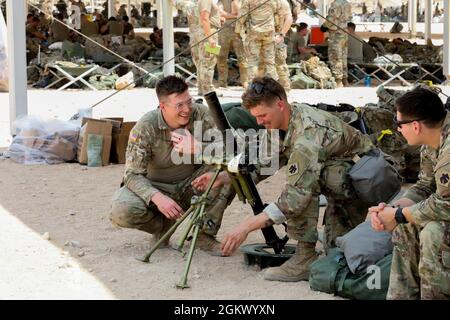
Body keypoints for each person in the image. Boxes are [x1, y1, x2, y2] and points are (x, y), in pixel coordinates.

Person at [193, 76, 376, 282]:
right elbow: (263, 165)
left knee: (306, 183)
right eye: (256, 117)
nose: (259, 122)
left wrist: (246, 226)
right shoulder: (278, 125)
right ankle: (323, 245)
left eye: (262, 115)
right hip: (341, 178)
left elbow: (294, 199)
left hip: (366, 183)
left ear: (280, 104)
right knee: (334, 251)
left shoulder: (307, 133)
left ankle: (305, 256)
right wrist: (225, 178)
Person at [110, 76, 234, 253]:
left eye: (188, 102)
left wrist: (199, 147)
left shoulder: (201, 114)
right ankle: (163, 228)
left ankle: (204, 235)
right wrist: (157, 197)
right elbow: (131, 175)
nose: (187, 109)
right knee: (121, 211)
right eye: (179, 105)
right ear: (163, 106)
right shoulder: (146, 126)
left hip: (194, 184)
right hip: (157, 188)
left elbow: (233, 151)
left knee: (232, 173)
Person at [369, 87, 450, 299]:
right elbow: (425, 186)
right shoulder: (432, 140)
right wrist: (395, 209)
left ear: (415, 125)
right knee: (405, 224)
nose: (397, 130)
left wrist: (398, 215)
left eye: (398, 124)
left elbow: (446, 205)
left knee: (432, 232)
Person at [240, 0, 285, 83]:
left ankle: (254, 87)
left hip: (253, 34)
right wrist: (280, 31)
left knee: (253, 62)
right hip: (269, 33)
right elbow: (281, 15)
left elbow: (242, 17)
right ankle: (273, 87)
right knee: (270, 62)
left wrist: (239, 30)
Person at [216, 0, 248, 88]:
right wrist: (234, 16)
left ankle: (245, 81)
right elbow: (220, 13)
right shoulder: (221, 1)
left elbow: (241, 13)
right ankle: (222, 82)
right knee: (221, 57)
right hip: (224, 30)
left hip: (239, 31)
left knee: (243, 58)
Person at [321, 0, 351, 87]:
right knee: (343, 57)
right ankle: (345, 80)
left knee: (335, 57)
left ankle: (338, 81)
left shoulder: (335, 4)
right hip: (344, 33)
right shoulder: (347, 4)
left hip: (336, 35)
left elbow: (331, 20)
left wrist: (324, 26)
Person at [197, 0, 221, 96]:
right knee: (209, 61)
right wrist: (210, 38)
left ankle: (202, 88)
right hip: (209, 33)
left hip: (209, 31)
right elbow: (204, 18)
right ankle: (208, 89)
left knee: (205, 62)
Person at [273, 0, 293, 92]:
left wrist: (281, 34)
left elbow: (289, 19)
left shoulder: (282, 2)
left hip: (276, 36)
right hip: (263, 37)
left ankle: (285, 89)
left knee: (280, 64)